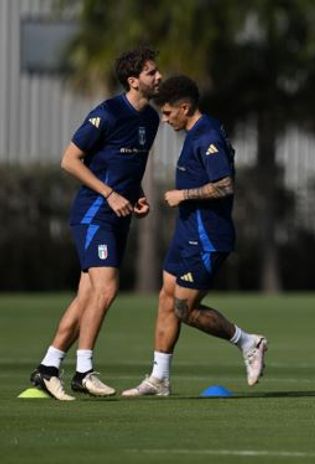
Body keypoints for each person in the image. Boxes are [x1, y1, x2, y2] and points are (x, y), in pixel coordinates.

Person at [29, 47, 162, 400]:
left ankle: (47, 368)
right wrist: (109, 194)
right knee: (107, 289)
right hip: (94, 212)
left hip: (119, 212)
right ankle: (84, 371)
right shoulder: (107, 113)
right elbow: (69, 160)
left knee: (87, 295)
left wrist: (136, 193)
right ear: (133, 81)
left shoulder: (150, 119)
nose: (159, 77)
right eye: (151, 72)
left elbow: (127, 167)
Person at [122, 75, 267, 396]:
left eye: (168, 112)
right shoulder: (196, 131)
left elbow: (225, 184)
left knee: (183, 309)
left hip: (207, 239)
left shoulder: (207, 136)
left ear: (185, 108)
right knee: (165, 299)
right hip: (186, 234)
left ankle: (249, 342)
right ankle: (159, 379)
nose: (164, 118)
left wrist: (183, 195)